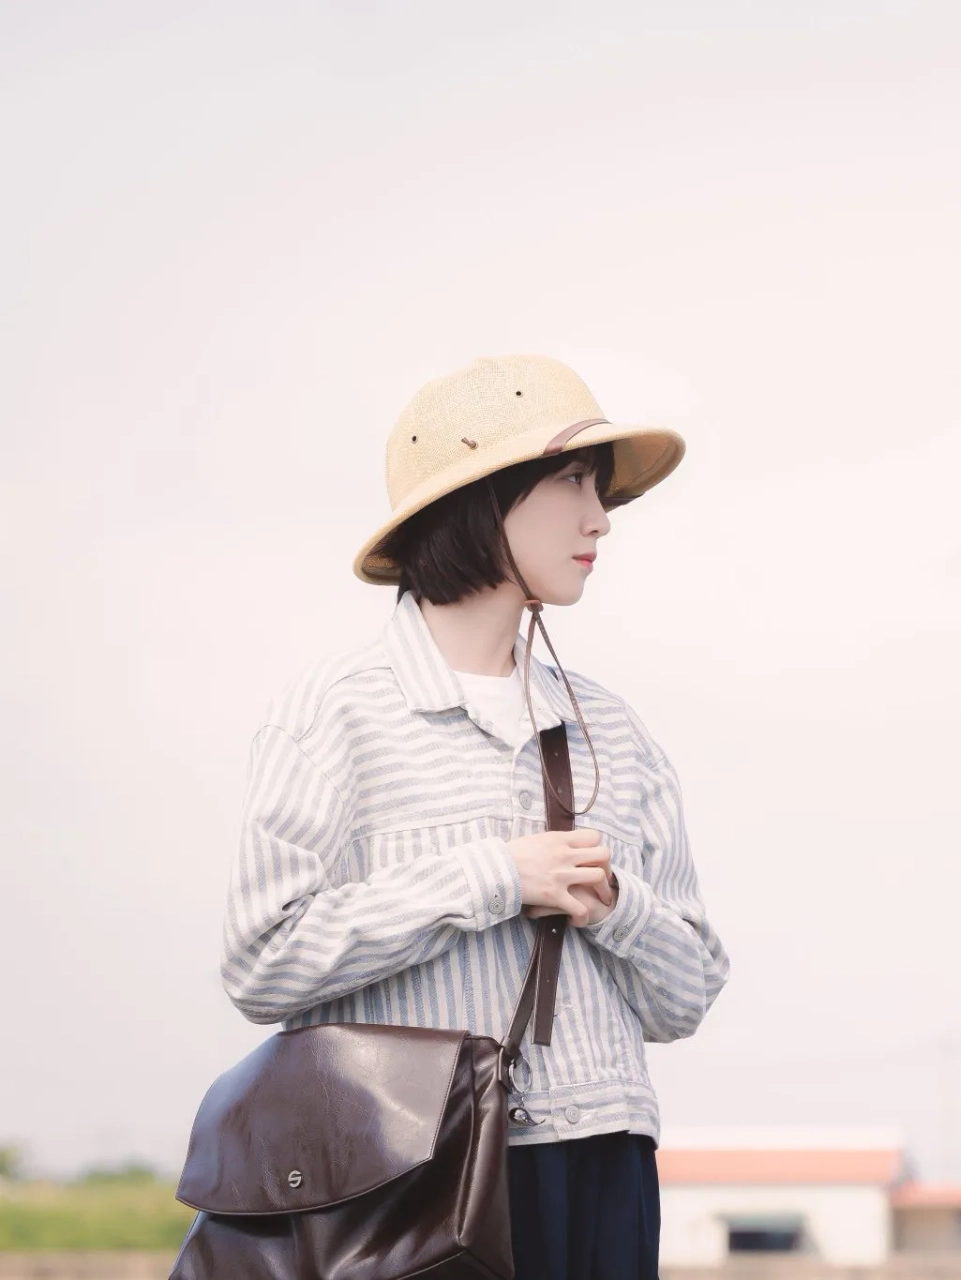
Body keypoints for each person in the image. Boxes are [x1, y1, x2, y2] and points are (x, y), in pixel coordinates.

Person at [221, 354, 728, 1279]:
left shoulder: (612, 727)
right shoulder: (334, 714)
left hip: (609, 1159)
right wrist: (494, 878)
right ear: (485, 495)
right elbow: (262, 961)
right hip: (414, 1170)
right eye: (572, 480)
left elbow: (687, 995)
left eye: (600, 488)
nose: (599, 518)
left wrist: (612, 904)